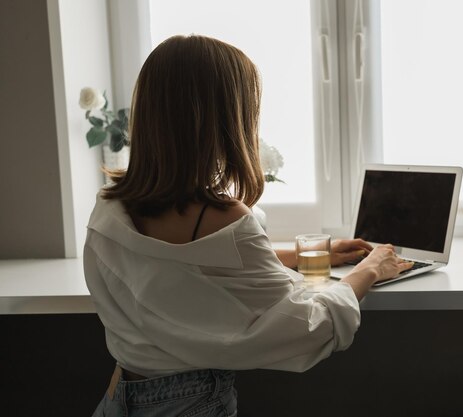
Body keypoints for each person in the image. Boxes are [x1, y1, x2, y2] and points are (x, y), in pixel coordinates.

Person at [85, 34, 414, 417]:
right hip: (193, 403)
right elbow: (308, 328)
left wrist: (308, 253)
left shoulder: (110, 208)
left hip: (118, 397)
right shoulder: (225, 219)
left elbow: (181, 270)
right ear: (225, 119)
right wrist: (368, 270)